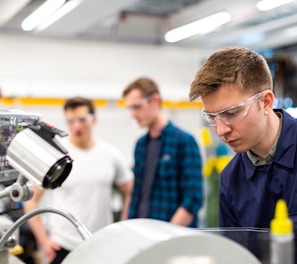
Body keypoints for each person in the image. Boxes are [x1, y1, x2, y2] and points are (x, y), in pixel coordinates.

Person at [189, 46, 297, 262]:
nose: (221, 130)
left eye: (231, 113)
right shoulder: (230, 178)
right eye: (212, 117)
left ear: (265, 102)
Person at [23, 96, 133, 264]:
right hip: (62, 247)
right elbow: (30, 200)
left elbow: (131, 192)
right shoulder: (56, 156)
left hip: (101, 245)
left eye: (82, 120)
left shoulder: (110, 155)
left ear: (94, 120)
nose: (77, 126)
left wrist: (121, 230)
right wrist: (44, 241)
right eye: (71, 121)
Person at [122, 77, 204, 227]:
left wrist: (166, 237)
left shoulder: (184, 141)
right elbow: (136, 195)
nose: (133, 114)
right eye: (130, 108)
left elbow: (193, 199)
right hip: (142, 234)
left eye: (137, 107)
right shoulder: (141, 145)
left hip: (174, 241)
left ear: (154, 100)